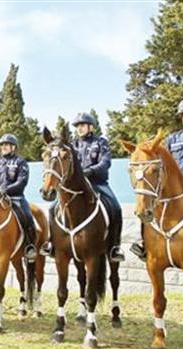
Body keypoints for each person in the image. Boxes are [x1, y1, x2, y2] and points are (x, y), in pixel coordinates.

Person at [40, 112, 125, 262]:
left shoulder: (100, 142)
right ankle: (52, 243)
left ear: (90, 127)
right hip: (77, 186)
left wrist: (91, 170)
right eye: (77, 126)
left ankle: (114, 247)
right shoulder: (71, 145)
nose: (79, 128)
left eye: (82, 125)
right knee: (53, 208)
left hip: (97, 183)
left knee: (115, 207)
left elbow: (106, 162)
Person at [130, 96, 183, 260]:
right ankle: (143, 242)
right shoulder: (173, 138)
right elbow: (162, 161)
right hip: (175, 185)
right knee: (148, 204)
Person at [0, 134, 38, 262]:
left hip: (15, 197)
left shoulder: (21, 162)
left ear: (13, 147)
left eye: (6, 145)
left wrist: (6, 190)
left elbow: (22, 181)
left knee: (27, 216)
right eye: (2, 145)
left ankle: (29, 246)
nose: (4, 147)